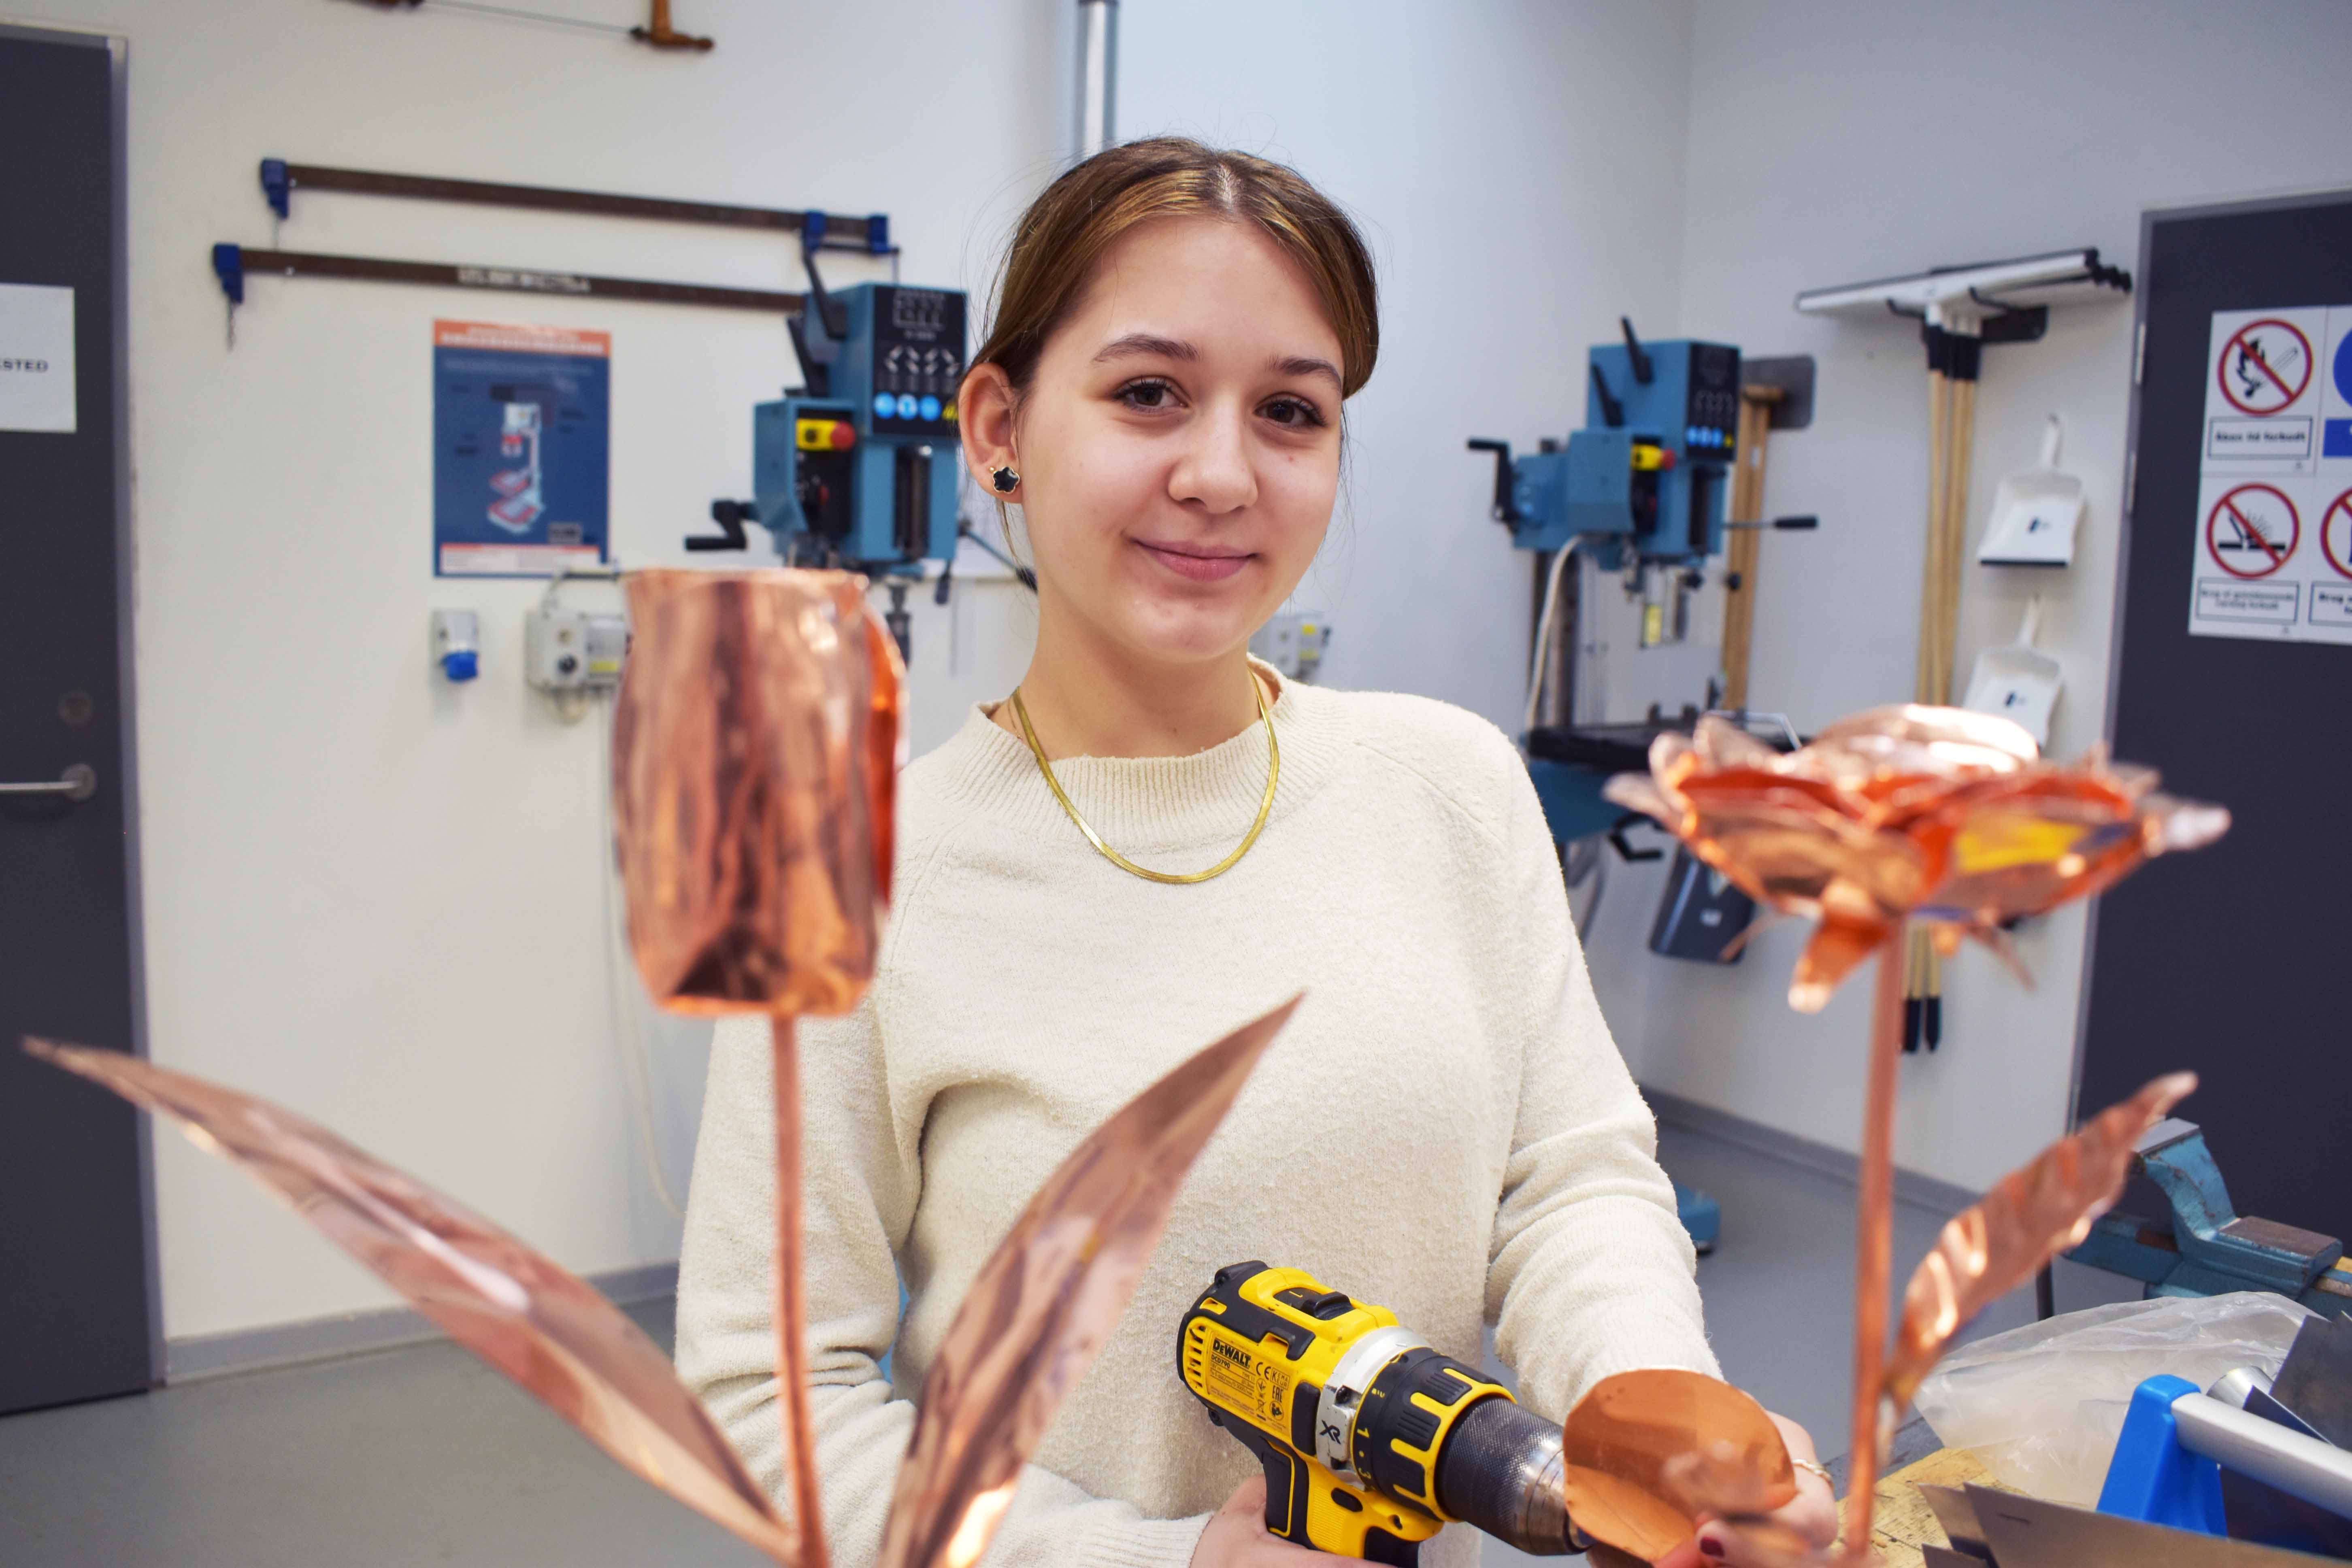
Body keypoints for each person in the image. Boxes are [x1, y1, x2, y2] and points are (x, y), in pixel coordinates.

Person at [676, 137, 1837, 1568]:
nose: (1222, 474)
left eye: (1291, 409)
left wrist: (1649, 1409)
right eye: (1147, 392)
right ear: (995, 425)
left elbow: (1571, 1176)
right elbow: (766, 1393)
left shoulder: (1451, 781)